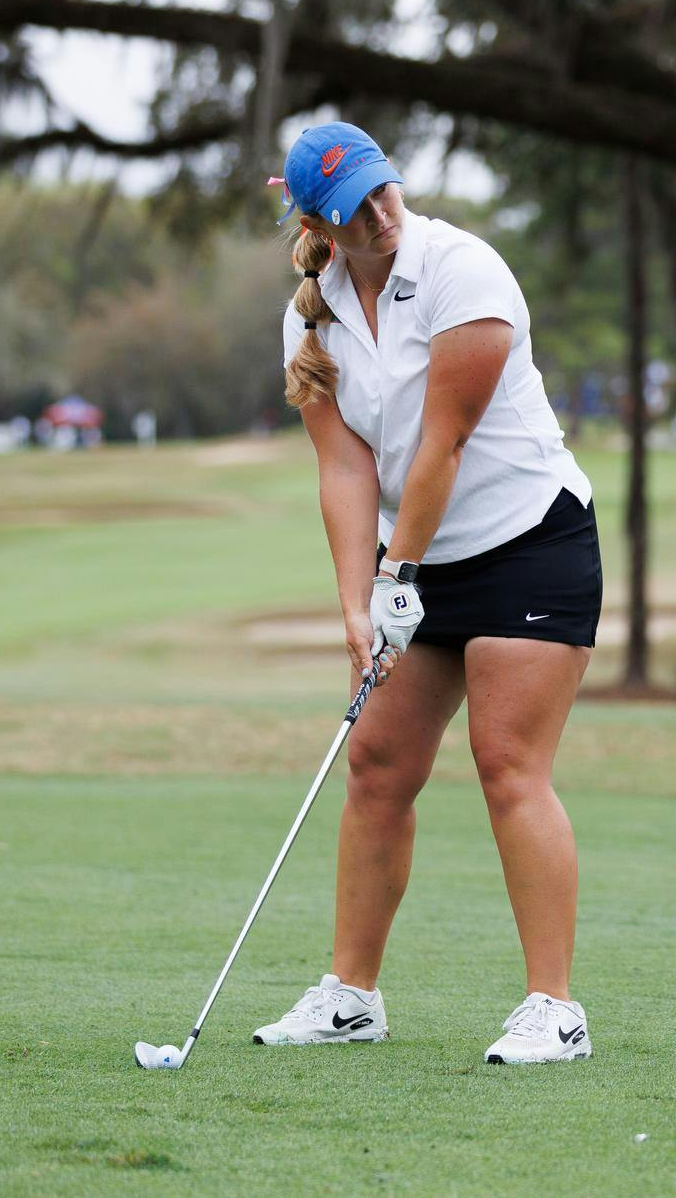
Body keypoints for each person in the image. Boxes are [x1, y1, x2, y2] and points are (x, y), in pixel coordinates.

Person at [257, 122, 602, 1061]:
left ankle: (553, 1008)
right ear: (317, 226)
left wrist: (398, 573)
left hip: (529, 541)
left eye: (383, 190)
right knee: (377, 763)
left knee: (506, 762)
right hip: (415, 556)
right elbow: (343, 470)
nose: (380, 214)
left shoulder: (464, 272)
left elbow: (443, 443)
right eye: (354, 210)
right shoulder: (311, 316)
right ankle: (352, 995)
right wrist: (355, 602)